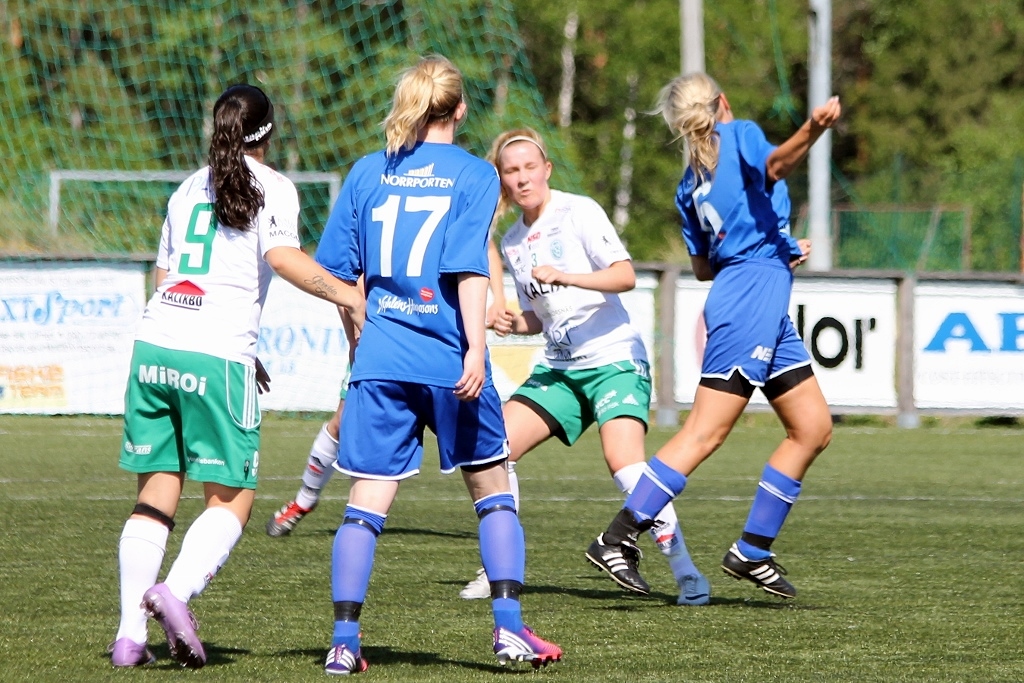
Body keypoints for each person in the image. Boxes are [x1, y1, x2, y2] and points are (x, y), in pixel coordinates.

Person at [313, 56, 562, 675]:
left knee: (364, 504)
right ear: (461, 108)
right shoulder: (475, 174)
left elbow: (338, 278)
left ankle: (343, 643)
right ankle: (509, 631)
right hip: (449, 360)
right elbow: (469, 269)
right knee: (493, 492)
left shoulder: (368, 171)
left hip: (381, 361)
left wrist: (357, 346)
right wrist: (476, 348)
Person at [110, 84, 364, 669]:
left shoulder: (186, 188)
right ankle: (174, 593)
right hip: (216, 354)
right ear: (269, 130)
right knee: (233, 501)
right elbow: (282, 258)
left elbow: (165, 274)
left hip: (155, 344)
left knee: (154, 496)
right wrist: (348, 295)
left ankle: (129, 638)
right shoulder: (272, 185)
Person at [586, 73, 840, 599]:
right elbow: (777, 165)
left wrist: (775, 247)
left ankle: (752, 550)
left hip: (753, 296)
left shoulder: (689, 183)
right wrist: (813, 127)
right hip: (750, 301)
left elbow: (704, 267)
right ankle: (617, 537)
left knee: (812, 427)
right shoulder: (740, 133)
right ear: (723, 102)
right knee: (705, 433)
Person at [457, 128, 710, 606]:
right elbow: (541, 315)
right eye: (511, 171)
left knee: (626, 465)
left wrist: (566, 275)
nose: (522, 178)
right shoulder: (513, 241)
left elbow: (624, 275)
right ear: (503, 180)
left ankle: (686, 572)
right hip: (561, 369)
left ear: (547, 169)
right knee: (494, 449)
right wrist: (514, 322)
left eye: (530, 167)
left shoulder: (579, 211)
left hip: (614, 359)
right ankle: (499, 567)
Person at [264, 246, 505, 537]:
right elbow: (344, 274)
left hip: (440, 341)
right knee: (341, 421)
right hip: (380, 341)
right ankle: (304, 499)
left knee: (490, 452)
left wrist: (499, 299)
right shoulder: (369, 221)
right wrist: (353, 339)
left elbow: (484, 244)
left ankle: (505, 527)